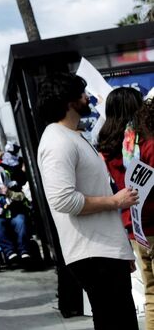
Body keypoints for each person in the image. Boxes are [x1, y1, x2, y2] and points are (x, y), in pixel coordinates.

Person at [36, 72, 139, 330]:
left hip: (103, 250)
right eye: (82, 93)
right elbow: (63, 200)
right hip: (93, 253)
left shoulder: (72, 135)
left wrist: (120, 247)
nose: (88, 97)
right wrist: (115, 202)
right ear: (70, 100)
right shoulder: (57, 141)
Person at [98, 89, 153, 329]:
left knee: (151, 293)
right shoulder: (148, 144)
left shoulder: (107, 149)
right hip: (153, 221)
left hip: (134, 228)